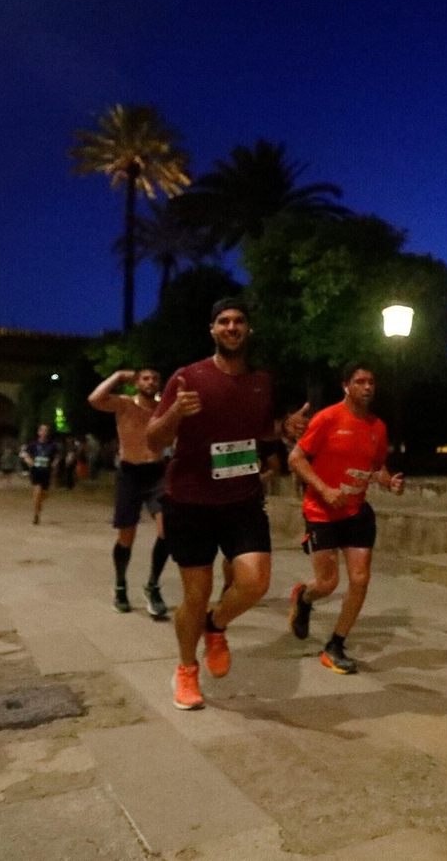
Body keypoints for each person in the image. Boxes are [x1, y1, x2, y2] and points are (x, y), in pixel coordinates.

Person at [145, 297, 310, 711]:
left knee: (255, 581)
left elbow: (261, 431)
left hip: (241, 498)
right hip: (190, 500)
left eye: (239, 321)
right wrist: (175, 415)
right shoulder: (186, 378)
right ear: (213, 330)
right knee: (194, 596)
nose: (232, 327)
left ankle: (215, 626)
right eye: (223, 321)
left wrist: (284, 429)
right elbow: (153, 439)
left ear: (248, 330)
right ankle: (186, 669)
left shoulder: (261, 381)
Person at [286, 360, 404, 673]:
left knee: (360, 579)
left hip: (356, 513)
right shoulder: (327, 419)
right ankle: (304, 598)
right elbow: (296, 458)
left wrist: (388, 481)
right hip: (321, 511)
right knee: (327, 583)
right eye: (360, 381)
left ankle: (336, 644)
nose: (367, 387)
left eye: (371, 382)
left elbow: (377, 468)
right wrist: (324, 490)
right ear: (346, 386)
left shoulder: (378, 427)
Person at [90, 368, 170, 617]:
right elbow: (95, 400)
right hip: (129, 473)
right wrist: (116, 376)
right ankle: (120, 584)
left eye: (155, 378)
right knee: (127, 535)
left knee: (167, 529)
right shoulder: (124, 403)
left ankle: (153, 585)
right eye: (145, 378)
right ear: (137, 383)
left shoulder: (163, 407)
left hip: (157, 472)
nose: (150, 382)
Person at [21, 425, 59, 525]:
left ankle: (39, 505)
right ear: (38, 432)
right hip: (36, 472)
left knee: (44, 494)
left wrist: (55, 464)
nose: (44, 432)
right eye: (42, 430)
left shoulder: (52, 445)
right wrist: (29, 461)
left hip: (47, 472)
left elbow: (56, 457)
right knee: (37, 492)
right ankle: (36, 514)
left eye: (46, 430)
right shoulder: (33, 445)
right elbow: (24, 454)